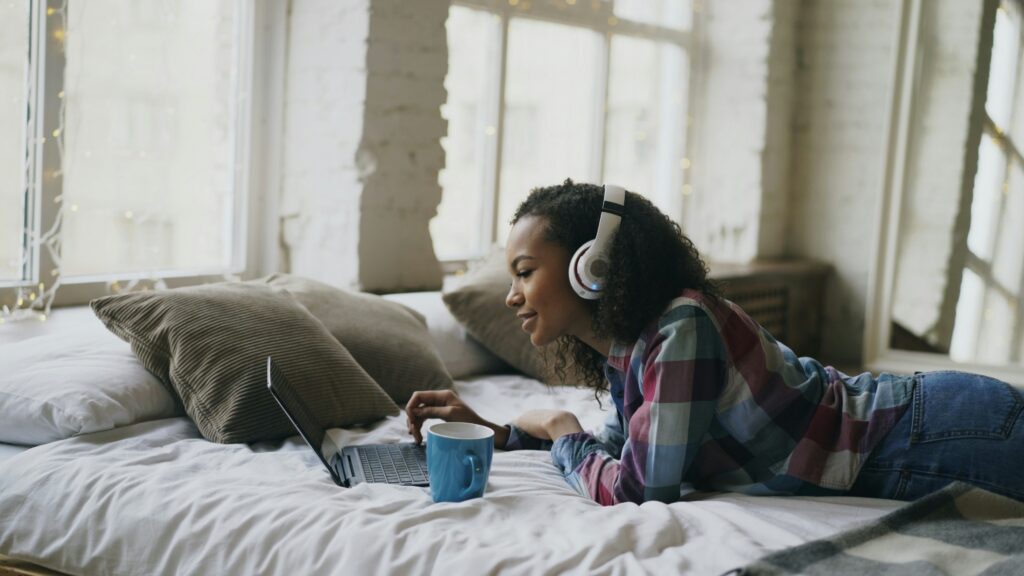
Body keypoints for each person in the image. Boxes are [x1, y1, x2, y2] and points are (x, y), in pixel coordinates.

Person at [406, 179, 1024, 506]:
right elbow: (623, 454)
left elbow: (638, 490)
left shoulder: (681, 328)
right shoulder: (632, 351)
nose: (512, 296)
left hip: (929, 428)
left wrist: (560, 425)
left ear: (589, 267)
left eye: (523, 272)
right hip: (910, 438)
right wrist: (500, 431)